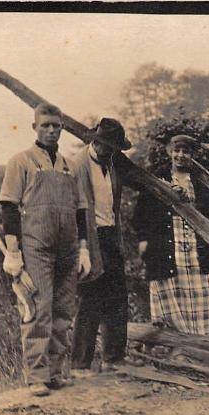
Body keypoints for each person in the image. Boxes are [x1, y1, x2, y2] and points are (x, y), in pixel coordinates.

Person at [0, 103, 91, 397]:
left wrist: (84, 249)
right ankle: (36, 376)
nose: (51, 130)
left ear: (62, 128)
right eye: (46, 125)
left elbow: (81, 210)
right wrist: (13, 251)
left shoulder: (70, 166)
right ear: (35, 127)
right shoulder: (21, 162)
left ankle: (54, 372)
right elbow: (9, 206)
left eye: (56, 126)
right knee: (38, 309)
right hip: (36, 246)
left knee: (63, 310)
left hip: (68, 247)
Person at [133, 134, 209, 337]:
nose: (180, 155)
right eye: (177, 151)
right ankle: (172, 346)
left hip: (194, 245)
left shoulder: (201, 182)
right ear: (169, 152)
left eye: (186, 152)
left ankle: (201, 344)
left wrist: (189, 204)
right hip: (166, 247)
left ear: (192, 155)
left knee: (201, 292)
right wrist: (144, 239)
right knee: (170, 294)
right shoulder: (157, 178)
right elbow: (141, 214)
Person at [71, 118, 131, 375]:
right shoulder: (77, 166)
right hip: (88, 237)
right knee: (90, 298)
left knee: (117, 298)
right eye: (107, 146)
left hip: (110, 236)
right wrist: (79, 248)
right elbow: (72, 210)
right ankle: (81, 363)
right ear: (95, 141)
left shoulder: (113, 165)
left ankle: (113, 359)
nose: (110, 151)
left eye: (114, 148)